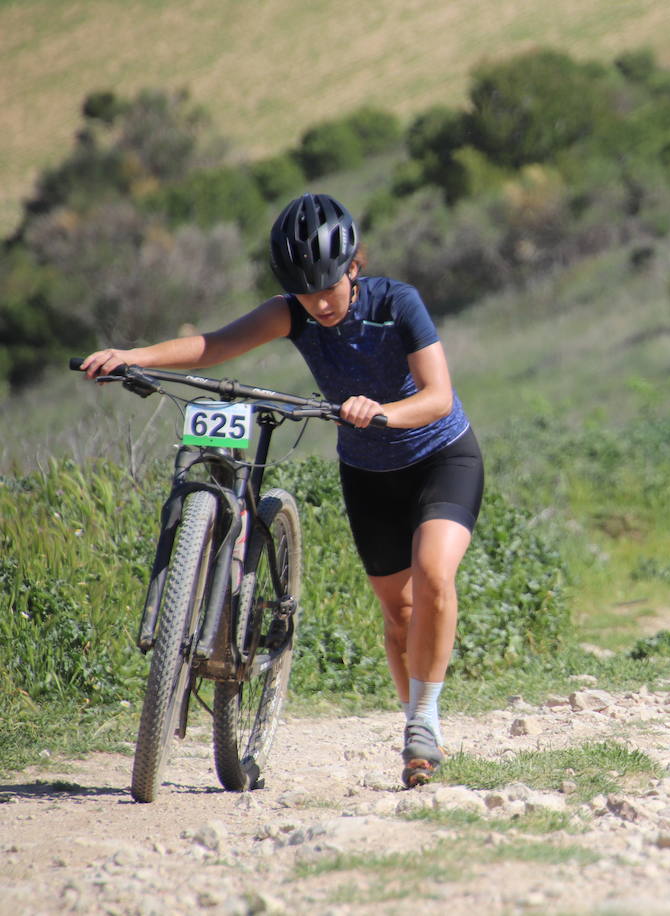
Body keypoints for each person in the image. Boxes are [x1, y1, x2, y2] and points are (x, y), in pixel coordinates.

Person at [80, 193, 481, 788]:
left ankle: (425, 723)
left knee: (433, 576)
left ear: (352, 267)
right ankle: (412, 731)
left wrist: (383, 412)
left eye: (327, 287)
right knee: (398, 615)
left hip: (439, 457)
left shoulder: (398, 304)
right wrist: (130, 357)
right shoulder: (292, 311)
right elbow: (214, 345)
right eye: (303, 291)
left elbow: (438, 396)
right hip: (368, 475)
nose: (318, 303)